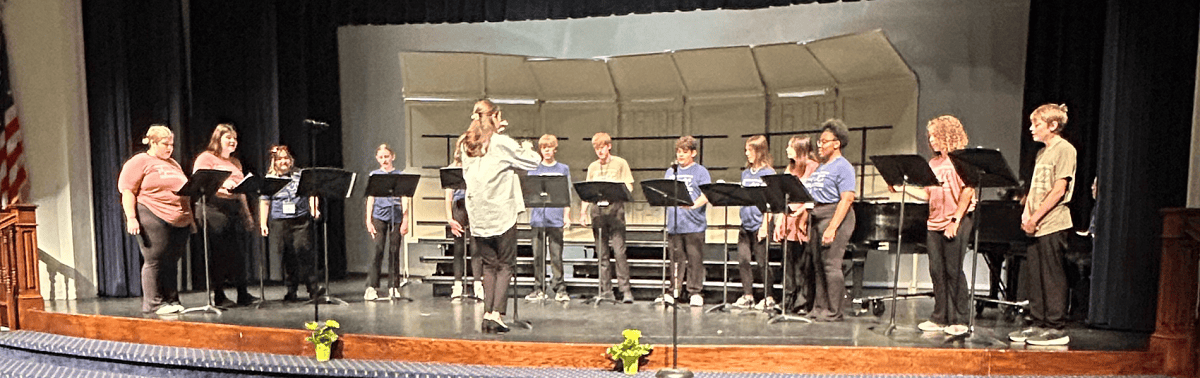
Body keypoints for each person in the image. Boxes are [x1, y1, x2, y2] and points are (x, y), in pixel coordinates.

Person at [460, 112, 540, 333]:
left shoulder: (466, 145)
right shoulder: (501, 142)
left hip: (478, 217)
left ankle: (487, 314)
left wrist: (496, 132)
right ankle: (497, 314)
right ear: (494, 120)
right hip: (501, 215)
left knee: (488, 266)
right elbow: (533, 162)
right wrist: (525, 146)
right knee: (505, 265)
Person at [899, 116, 976, 336]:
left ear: (948, 135)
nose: (931, 140)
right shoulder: (932, 164)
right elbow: (926, 194)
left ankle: (960, 319)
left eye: (935, 135)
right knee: (936, 270)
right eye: (930, 136)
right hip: (934, 222)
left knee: (953, 270)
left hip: (957, 220)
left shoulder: (961, 161)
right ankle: (940, 317)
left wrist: (955, 220)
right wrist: (902, 188)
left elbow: (968, 191)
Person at [1009, 103, 1076, 346]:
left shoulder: (1065, 149)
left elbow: (1059, 190)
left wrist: (1036, 218)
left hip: (1052, 223)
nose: (1031, 129)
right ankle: (1038, 322)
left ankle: (1055, 326)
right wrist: (1027, 215)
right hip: (1035, 223)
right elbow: (1035, 191)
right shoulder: (1041, 153)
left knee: (1051, 274)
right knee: (1034, 275)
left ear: (1053, 126)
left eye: (1036, 124)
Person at [118, 125, 192, 315]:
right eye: (165, 144)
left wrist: (190, 218)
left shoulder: (174, 164)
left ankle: (171, 299)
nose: (170, 148)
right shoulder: (141, 161)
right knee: (155, 259)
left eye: (172, 144)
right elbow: (127, 190)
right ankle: (153, 304)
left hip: (178, 219)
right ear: (152, 142)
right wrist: (131, 218)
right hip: (151, 213)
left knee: (171, 260)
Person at [193, 123, 258, 307]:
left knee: (238, 254)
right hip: (213, 209)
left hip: (233, 209)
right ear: (217, 139)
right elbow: (199, 183)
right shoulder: (205, 158)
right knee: (218, 254)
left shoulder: (235, 162)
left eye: (235, 139)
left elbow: (242, 190)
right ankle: (219, 295)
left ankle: (242, 294)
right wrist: (222, 188)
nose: (233, 141)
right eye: (228, 138)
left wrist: (247, 214)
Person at [800, 119, 857, 322]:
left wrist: (833, 227)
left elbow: (847, 198)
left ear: (837, 143)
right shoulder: (822, 167)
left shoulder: (844, 167)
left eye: (824, 141)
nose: (820, 145)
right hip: (818, 215)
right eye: (819, 141)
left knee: (831, 264)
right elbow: (813, 195)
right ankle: (819, 307)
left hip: (835, 214)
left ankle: (834, 311)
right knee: (817, 264)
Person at [258, 145, 321, 301]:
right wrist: (263, 223)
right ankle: (291, 289)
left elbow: (312, 193)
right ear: (274, 162)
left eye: (286, 158)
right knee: (288, 254)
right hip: (280, 221)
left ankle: (313, 288)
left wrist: (314, 208)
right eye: (280, 159)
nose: (284, 161)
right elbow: (264, 202)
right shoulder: (269, 179)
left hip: (301, 219)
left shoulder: (300, 175)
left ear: (291, 160)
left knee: (304, 250)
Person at [579, 132, 636, 303]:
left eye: (602, 147)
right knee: (602, 253)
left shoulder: (620, 163)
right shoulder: (593, 167)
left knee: (619, 252)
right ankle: (606, 291)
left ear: (609, 146)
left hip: (615, 211)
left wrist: (617, 192)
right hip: (598, 212)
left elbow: (629, 186)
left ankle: (625, 290)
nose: (600, 151)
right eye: (597, 148)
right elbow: (587, 192)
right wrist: (583, 212)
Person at [660, 136, 711, 307]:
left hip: (694, 223)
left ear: (693, 153)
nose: (680, 155)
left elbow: (706, 194)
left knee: (694, 259)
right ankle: (674, 290)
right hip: (675, 223)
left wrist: (694, 205)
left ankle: (695, 291)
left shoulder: (701, 172)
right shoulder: (671, 172)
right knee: (676, 259)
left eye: (685, 152)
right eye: (678, 152)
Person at [524, 134, 572, 302]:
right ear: (541, 150)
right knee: (538, 256)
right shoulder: (534, 169)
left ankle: (560, 288)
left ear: (555, 149)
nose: (547, 151)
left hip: (556, 218)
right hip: (538, 218)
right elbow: (529, 193)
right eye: (544, 148)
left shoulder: (563, 169)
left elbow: (567, 195)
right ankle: (538, 288)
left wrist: (567, 216)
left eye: (550, 148)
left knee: (556, 256)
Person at [775, 136, 819, 314]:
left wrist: (802, 214)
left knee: (803, 265)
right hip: (788, 218)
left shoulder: (813, 168)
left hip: (804, 219)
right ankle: (787, 299)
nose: (786, 149)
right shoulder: (790, 168)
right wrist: (779, 220)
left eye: (790, 146)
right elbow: (783, 196)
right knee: (788, 264)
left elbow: (813, 197)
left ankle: (803, 302)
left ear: (800, 149)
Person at [733, 135, 776, 309]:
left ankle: (769, 296)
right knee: (743, 259)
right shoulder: (745, 173)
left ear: (759, 151)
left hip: (760, 223)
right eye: (746, 150)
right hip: (746, 224)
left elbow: (772, 203)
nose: (747, 153)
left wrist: (765, 225)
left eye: (750, 150)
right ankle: (748, 295)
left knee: (762, 262)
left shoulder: (768, 173)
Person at [364, 144, 408, 301]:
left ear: (392, 157)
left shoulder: (399, 175)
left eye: (386, 156)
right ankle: (372, 286)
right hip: (379, 216)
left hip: (396, 216)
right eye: (381, 157)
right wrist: (368, 219)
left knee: (394, 251)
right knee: (377, 250)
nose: (384, 160)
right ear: (377, 158)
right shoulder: (374, 175)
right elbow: (371, 198)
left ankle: (393, 286)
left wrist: (406, 219)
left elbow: (404, 198)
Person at [446, 134, 484, 302]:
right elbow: (448, 197)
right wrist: (450, 218)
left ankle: (478, 284)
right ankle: (457, 284)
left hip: (475, 207)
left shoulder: (477, 166)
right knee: (458, 249)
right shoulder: (452, 168)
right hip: (459, 208)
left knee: (476, 248)